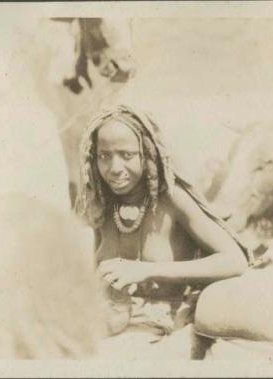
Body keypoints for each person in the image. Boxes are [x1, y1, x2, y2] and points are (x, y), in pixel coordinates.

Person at [75, 104, 249, 344]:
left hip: (163, 330)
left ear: (147, 155)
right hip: (107, 325)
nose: (114, 168)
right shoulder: (102, 205)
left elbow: (235, 261)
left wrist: (146, 270)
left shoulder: (172, 199)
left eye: (127, 155)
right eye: (104, 156)